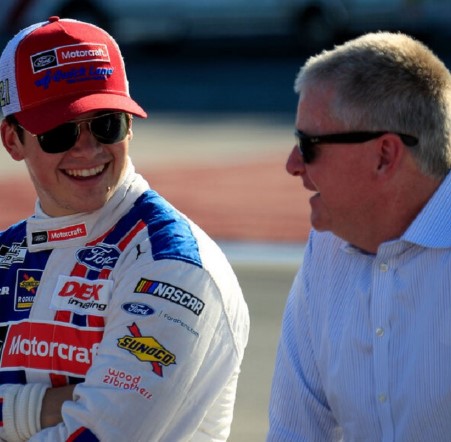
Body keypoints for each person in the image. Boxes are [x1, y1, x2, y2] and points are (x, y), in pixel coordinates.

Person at [0, 16, 249, 441]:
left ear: (130, 126)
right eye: (59, 132)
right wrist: (45, 407)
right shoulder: (8, 252)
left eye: (106, 123)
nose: (88, 148)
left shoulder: (173, 266)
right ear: (13, 140)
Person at [267, 31, 451, 441]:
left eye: (308, 143)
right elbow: (295, 432)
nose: (292, 164)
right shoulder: (327, 247)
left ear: (384, 154)